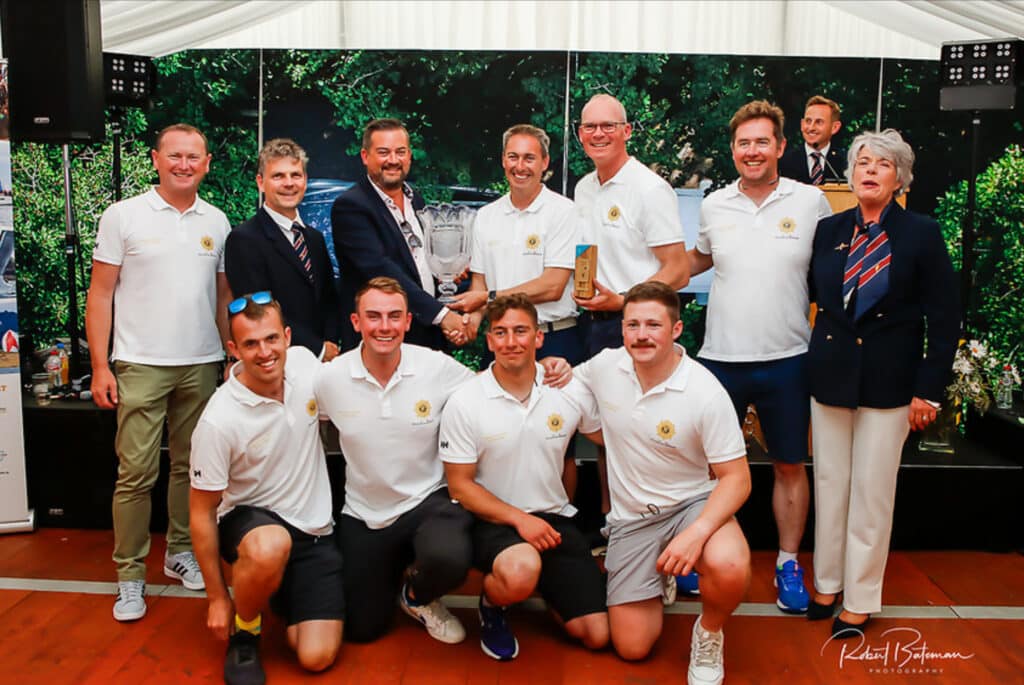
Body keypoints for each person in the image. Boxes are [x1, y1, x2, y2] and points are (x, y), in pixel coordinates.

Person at [315, 277, 572, 644]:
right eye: (373, 317)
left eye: (394, 317)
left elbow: (492, 382)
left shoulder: (436, 367)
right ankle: (392, 570)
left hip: (429, 502)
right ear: (356, 323)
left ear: (407, 322)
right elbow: (284, 395)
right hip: (364, 513)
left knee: (450, 556)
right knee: (361, 629)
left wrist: (543, 364)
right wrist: (240, 372)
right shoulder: (329, 379)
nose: (384, 327)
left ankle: (417, 596)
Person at [806, 129, 959, 637]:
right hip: (830, 375)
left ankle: (861, 597)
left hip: (891, 382)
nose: (869, 170)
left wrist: (928, 389)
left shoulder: (921, 233)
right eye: (862, 162)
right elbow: (819, 299)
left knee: (872, 492)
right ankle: (826, 583)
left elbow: (944, 318)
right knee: (830, 485)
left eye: (882, 164)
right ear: (850, 174)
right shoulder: (828, 230)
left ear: (900, 178)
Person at [687, 100, 832, 614]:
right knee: (706, 468)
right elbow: (695, 260)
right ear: (733, 150)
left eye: (762, 141)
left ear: (780, 146)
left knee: (791, 464)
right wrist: (635, 285)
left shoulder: (812, 202)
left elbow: (832, 274)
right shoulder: (714, 205)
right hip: (719, 359)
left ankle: (789, 563)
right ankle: (697, 552)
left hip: (789, 357)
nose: (753, 151)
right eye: (744, 143)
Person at [86, 123, 231, 622]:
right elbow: (101, 293)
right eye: (175, 156)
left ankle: (179, 553)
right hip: (140, 363)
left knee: (190, 470)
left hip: (201, 364)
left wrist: (229, 355)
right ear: (155, 159)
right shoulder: (122, 215)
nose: (184, 165)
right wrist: (101, 365)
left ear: (207, 163)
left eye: (193, 157)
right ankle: (129, 576)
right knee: (135, 474)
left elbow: (221, 297)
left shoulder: (218, 219)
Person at [574, 282, 751, 685]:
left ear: (675, 329)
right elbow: (566, 381)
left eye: (653, 324)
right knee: (632, 648)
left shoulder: (705, 391)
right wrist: (553, 367)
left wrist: (697, 533)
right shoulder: (605, 366)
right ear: (621, 330)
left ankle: (709, 632)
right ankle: (661, 573)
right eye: (632, 324)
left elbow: (737, 479)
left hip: (691, 505)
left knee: (728, 563)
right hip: (632, 519)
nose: (641, 334)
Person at [440, 295, 609, 661]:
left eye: (520, 331)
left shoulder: (566, 388)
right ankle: (493, 605)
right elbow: (460, 486)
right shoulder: (466, 400)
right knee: (520, 571)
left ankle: (548, 585)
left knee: (597, 635)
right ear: (489, 341)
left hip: (553, 520)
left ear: (539, 338)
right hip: (493, 520)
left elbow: (605, 438)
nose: (510, 341)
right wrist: (521, 520)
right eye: (500, 333)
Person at [189, 293, 343, 685]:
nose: (264, 352)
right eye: (251, 343)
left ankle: (272, 589)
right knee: (270, 546)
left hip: (313, 532)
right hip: (252, 523)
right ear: (233, 349)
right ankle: (247, 628)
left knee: (315, 656)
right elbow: (201, 512)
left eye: (271, 339)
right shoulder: (219, 420)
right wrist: (218, 597)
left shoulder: (307, 368)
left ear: (288, 337)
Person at [331, 118, 469, 351]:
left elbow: (417, 263)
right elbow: (381, 269)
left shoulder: (416, 199)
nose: (393, 160)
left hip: (426, 339)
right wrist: (441, 315)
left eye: (400, 152)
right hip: (381, 345)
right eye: (383, 152)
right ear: (365, 157)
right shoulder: (350, 207)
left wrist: (445, 273)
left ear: (409, 156)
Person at [449, 124, 581, 364]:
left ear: (544, 162)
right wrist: (471, 322)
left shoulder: (564, 212)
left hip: (553, 338)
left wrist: (487, 298)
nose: (520, 166)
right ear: (503, 160)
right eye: (513, 157)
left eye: (529, 158)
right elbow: (479, 284)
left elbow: (553, 286)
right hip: (501, 342)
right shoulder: (487, 215)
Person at [572, 93, 690, 355]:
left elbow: (679, 270)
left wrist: (625, 300)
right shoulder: (584, 188)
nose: (598, 134)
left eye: (608, 126)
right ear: (581, 134)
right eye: (590, 127)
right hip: (589, 326)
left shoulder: (650, 189)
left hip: (637, 326)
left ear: (626, 131)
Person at [225, 138, 341, 360]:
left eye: (295, 175)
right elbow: (259, 312)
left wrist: (331, 343)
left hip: (323, 365)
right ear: (260, 182)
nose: (289, 183)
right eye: (278, 176)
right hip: (275, 361)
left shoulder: (314, 239)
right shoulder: (244, 239)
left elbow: (329, 300)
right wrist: (319, 349)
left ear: (305, 180)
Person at [779, 95, 846, 185]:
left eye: (819, 122)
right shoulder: (784, 161)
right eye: (808, 121)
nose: (811, 127)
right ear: (802, 124)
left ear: (835, 127)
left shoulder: (846, 163)